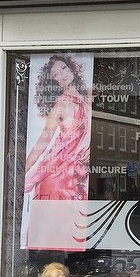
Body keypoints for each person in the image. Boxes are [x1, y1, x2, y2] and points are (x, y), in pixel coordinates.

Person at [24, 54, 91, 202]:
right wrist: (22, 171)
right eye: (56, 74)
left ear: (72, 69)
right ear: (54, 80)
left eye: (64, 68)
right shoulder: (60, 106)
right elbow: (43, 142)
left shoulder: (87, 98)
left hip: (80, 176)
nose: (62, 74)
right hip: (58, 180)